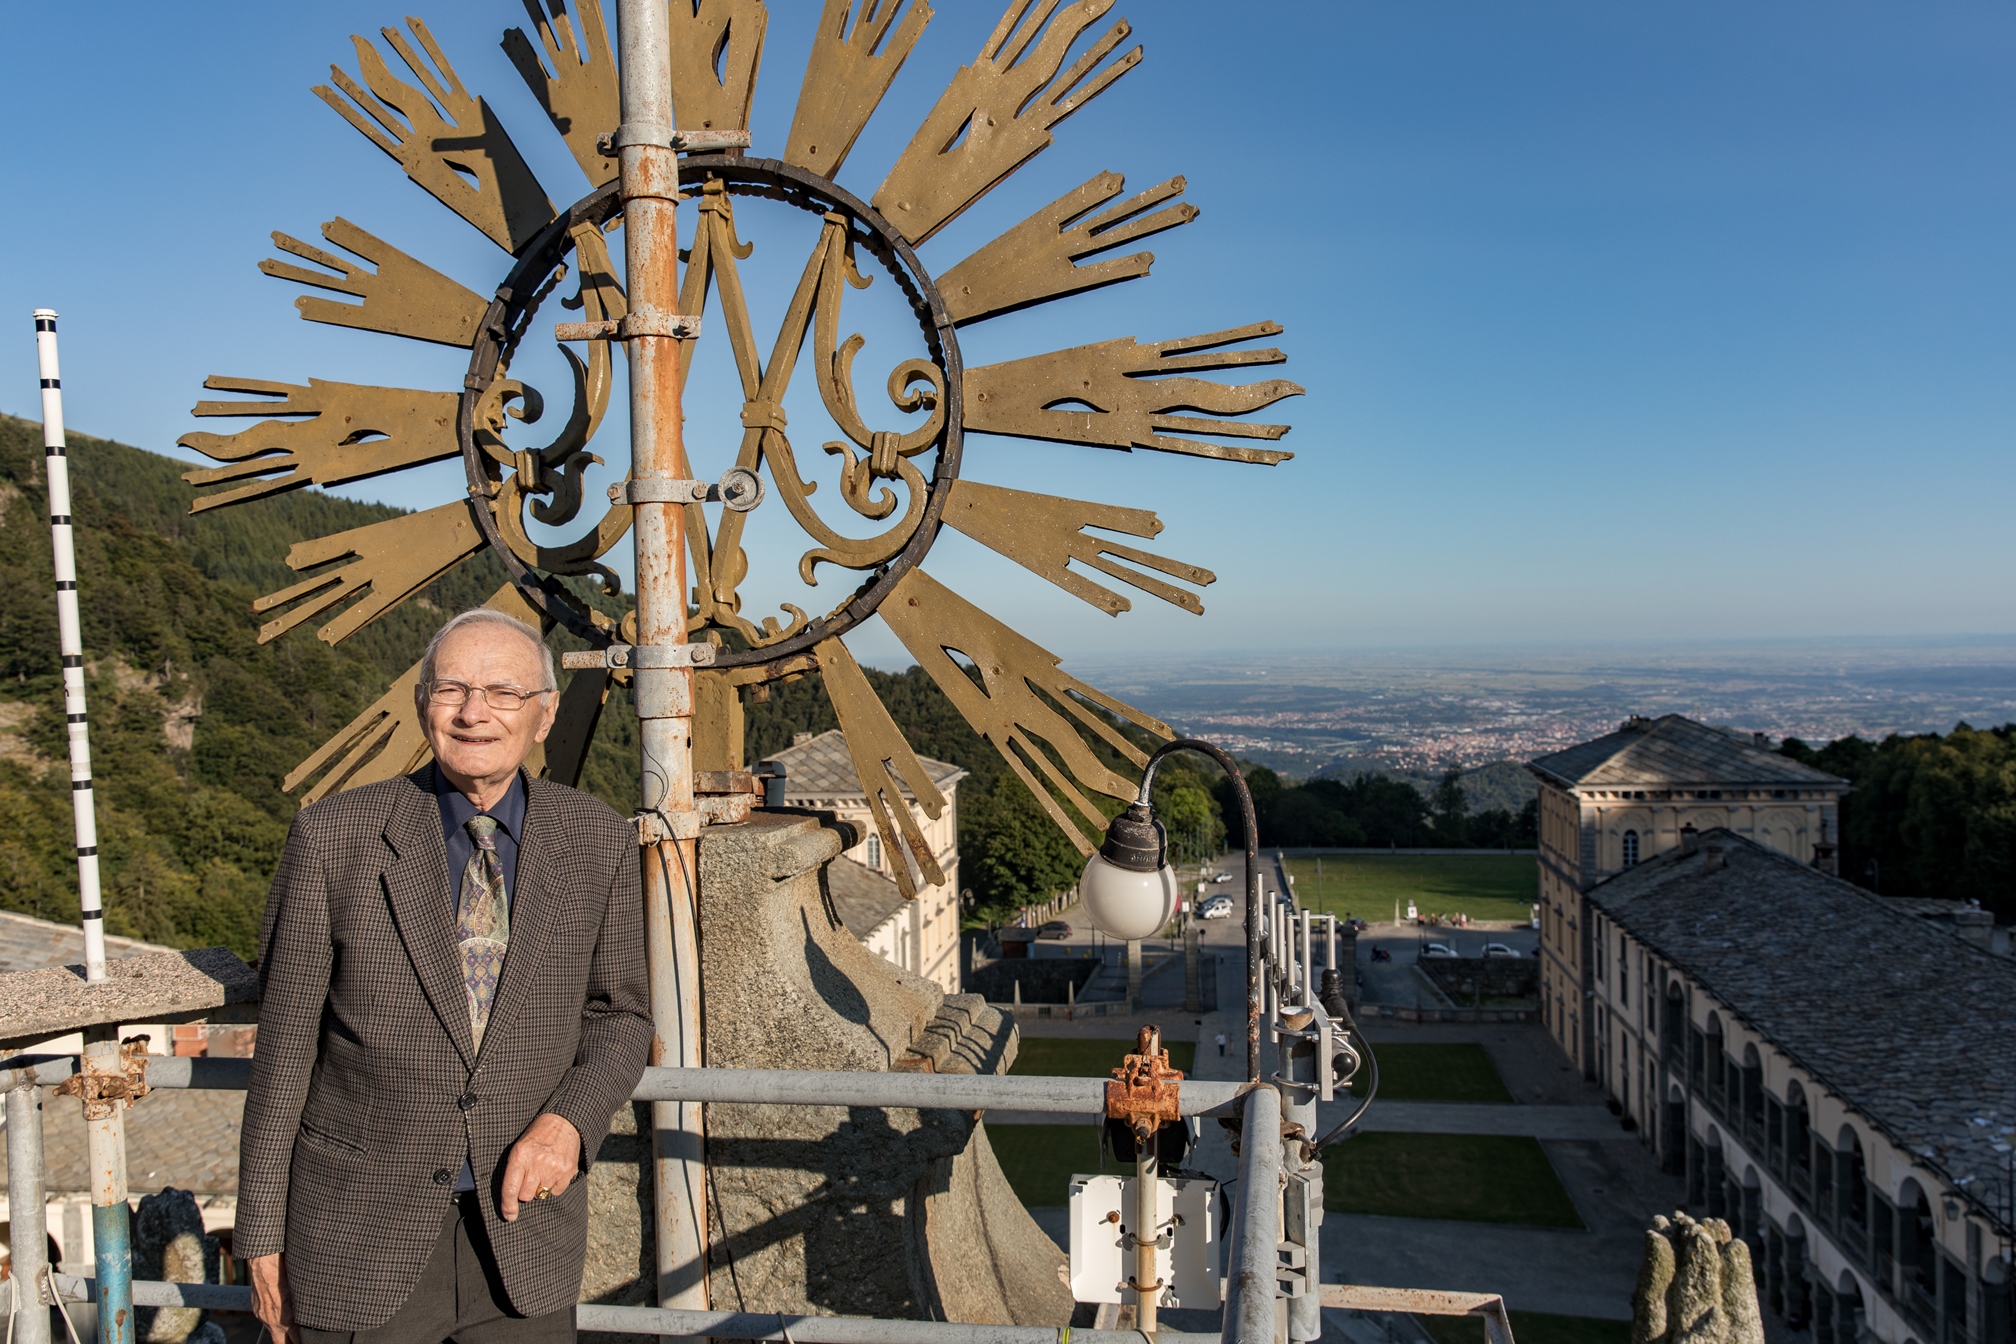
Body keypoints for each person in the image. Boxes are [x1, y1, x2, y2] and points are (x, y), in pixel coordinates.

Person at [238, 609, 653, 1344]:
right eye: (451, 689)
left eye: (502, 692)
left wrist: (569, 1124)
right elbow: (284, 1053)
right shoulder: (334, 838)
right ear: (421, 703)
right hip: (357, 1242)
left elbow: (621, 1016)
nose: (472, 713)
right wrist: (260, 1238)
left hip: (525, 1239)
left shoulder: (596, 839)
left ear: (545, 714)